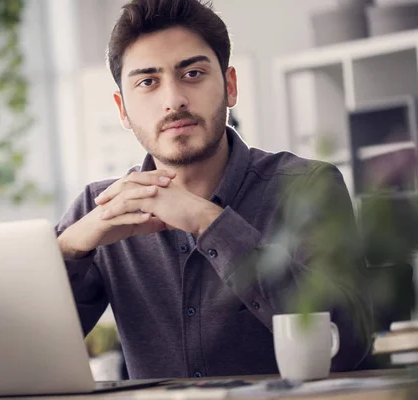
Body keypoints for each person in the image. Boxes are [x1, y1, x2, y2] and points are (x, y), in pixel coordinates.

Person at [56, 0, 371, 379]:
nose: (173, 100)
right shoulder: (99, 209)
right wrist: (68, 250)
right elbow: (25, 353)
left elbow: (348, 343)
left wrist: (210, 222)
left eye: (192, 73)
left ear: (230, 86)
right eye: (147, 82)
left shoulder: (308, 188)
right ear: (122, 110)